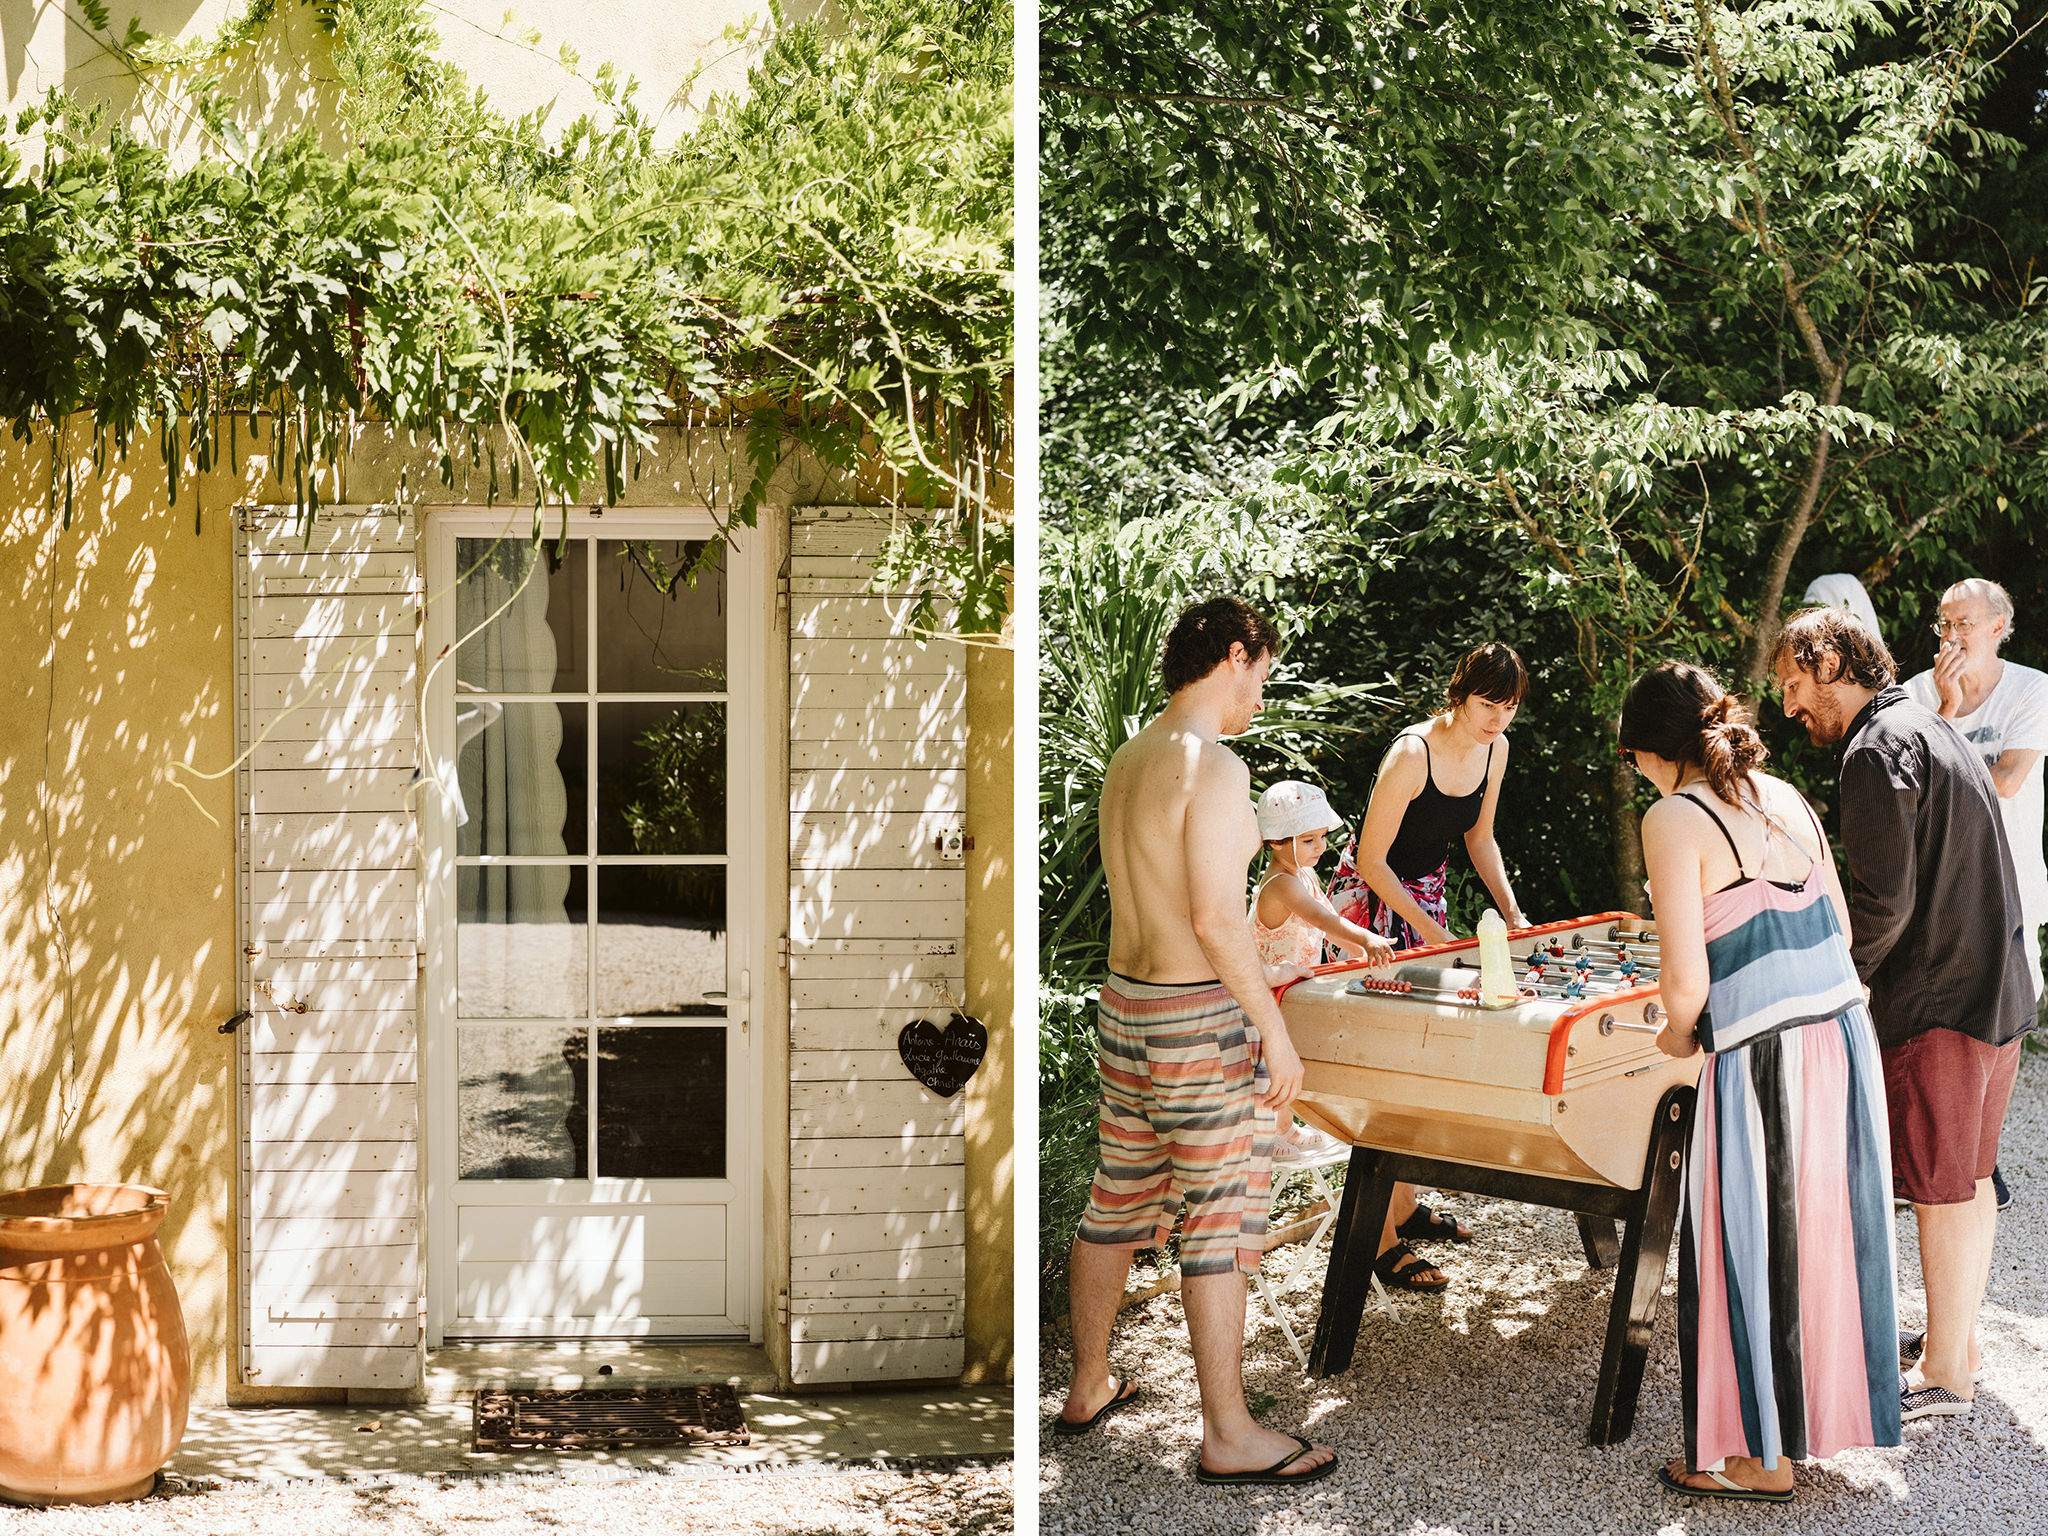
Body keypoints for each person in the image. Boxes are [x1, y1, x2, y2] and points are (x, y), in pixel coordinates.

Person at [1053, 596, 1338, 1487]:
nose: (1262, 692)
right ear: (1237, 655)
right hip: (1194, 1018)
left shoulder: (1130, 757)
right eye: (1262, 672)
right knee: (1216, 1219)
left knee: (1116, 1200)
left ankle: (1088, 1383)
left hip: (1126, 1005)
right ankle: (1229, 1434)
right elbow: (1217, 917)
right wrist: (1272, 1031)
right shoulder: (1213, 767)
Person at [1622, 660, 1899, 1503]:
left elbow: (1685, 990)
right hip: (1843, 1037)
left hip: (1764, 1052)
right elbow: (1842, 925)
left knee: (1745, 1240)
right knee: (1816, 1239)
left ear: (1646, 750)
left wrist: (1669, 1038)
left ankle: (1760, 1460)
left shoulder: (1673, 816)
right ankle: (1801, 1430)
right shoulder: (1781, 793)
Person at [1774, 606, 2035, 1424]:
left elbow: (1881, 902)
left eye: (1791, 683)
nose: (1787, 708)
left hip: (1940, 997)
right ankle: (1954, 1345)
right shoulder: (1930, 722)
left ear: (1828, 663)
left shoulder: (1874, 748)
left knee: (1940, 1187)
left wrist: (1835, 981)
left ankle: (1948, 1370)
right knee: (1967, 1179)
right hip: (1999, 989)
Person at [1324, 642, 1531, 1281]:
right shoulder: (1412, 753)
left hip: (1426, 901)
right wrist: (1424, 934)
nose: (1498, 717)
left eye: (1509, 706)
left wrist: (1514, 912)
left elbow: (1480, 836)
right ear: (1459, 693)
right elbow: (1369, 861)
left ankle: (1406, 1207)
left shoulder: (1495, 749)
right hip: (1370, 908)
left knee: (1417, 1052)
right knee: (1384, 1062)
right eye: (1487, 703)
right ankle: (1378, 1238)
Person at [1902, 578, 2048, 1207]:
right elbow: (1903, 784)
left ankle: (1983, 1158)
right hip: (1936, 881)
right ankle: (1928, 1153)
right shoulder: (1915, 693)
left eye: (1964, 623)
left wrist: (1951, 725)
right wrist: (1945, 708)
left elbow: (2009, 780)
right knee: (1931, 1018)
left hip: (2010, 881)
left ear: (1998, 627)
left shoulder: (2031, 688)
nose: (1952, 635)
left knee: (2005, 1015)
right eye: (1944, 623)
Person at [1251, 781, 1395, 1163]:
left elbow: (1330, 921)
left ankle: (1284, 1127)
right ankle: (1265, 1132)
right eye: (1310, 840)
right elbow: (1321, 920)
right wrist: (1367, 940)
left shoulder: (1305, 877)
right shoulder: (1280, 886)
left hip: (1292, 989)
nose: (1321, 847)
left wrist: (1361, 957)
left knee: (1290, 1057)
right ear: (1276, 842)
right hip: (1268, 991)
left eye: (1322, 838)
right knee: (1269, 1062)